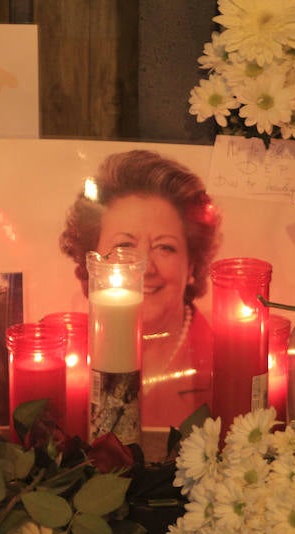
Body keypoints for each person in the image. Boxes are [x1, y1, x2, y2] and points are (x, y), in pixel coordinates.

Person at [59, 149, 221, 432]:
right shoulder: (62, 361)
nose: (144, 269)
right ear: (91, 260)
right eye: (124, 246)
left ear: (192, 265)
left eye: (165, 247)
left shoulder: (223, 365)